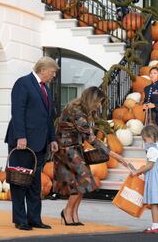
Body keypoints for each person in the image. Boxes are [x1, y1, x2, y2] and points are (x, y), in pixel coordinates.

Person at [53, 87, 130, 226]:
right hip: (66, 148)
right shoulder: (76, 112)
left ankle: (73, 214)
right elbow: (91, 138)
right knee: (84, 179)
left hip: (75, 147)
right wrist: (114, 155)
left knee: (83, 182)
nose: (99, 105)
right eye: (98, 102)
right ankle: (67, 211)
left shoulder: (81, 110)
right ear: (91, 99)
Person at [4, 56, 59, 231]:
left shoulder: (46, 89)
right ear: (43, 70)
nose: (53, 76)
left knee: (35, 183)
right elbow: (17, 110)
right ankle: (20, 220)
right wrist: (21, 136)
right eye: (52, 72)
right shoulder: (23, 83)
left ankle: (34, 218)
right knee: (20, 182)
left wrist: (52, 139)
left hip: (40, 143)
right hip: (23, 143)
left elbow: (48, 117)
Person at [131, 125, 158, 234]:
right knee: (156, 203)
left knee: (153, 203)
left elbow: (150, 165)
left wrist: (138, 171)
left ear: (150, 136)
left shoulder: (152, 149)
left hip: (154, 177)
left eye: (145, 139)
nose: (144, 141)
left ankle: (155, 226)